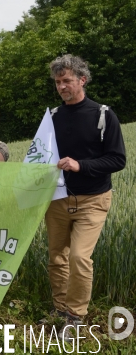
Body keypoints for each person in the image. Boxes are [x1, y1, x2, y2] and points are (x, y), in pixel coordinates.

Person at [43, 55, 126, 338]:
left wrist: (81, 165)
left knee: (79, 257)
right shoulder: (52, 117)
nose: (62, 86)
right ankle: (59, 308)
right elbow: (41, 155)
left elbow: (117, 160)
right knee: (57, 257)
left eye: (67, 80)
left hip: (93, 199)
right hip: (57, 199)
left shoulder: (103, 115)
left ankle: (75, 317)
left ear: (82, 80)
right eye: (57, 82)